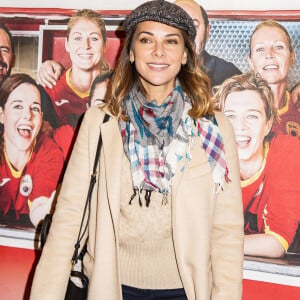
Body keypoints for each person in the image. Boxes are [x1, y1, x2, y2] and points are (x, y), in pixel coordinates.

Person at [30, 1, 244, 299]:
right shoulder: (100, 122)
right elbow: (68, 217)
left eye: (171, 41)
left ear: (185, 54)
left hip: (185, 289)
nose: (159, 51)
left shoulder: (214, 128)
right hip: (111, 285)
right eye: (147, 40)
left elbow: (227, 232)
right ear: (130, 52)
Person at [214, 72, 300, 258]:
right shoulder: (207, 161)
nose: (240, 127)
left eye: (252, 116)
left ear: (268, 124)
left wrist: (209, 244)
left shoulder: (289, 151)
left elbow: (275, 244)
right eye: (230, 116)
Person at [43, 9, 110, 160]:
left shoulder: (118, 90)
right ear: (67, 44)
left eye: (94, 38)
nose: (85, 46)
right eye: (77, 38)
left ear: (105, 45)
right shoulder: (49, 89)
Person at [0, 73, 64, 228]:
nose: (27, 115)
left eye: (34, 108)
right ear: (1, 114)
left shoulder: (50, 152)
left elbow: (40, 205)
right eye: (17, 106)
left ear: (41, 118)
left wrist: (44, 216)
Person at [247, 20, 300, 137]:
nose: (269, 54)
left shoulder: (297, 109)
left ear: (292, 57)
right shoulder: (237, 109)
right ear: (250, 61)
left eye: (278, 47)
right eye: (260, 49)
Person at [174, 0, 242, 88]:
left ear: (207, 31)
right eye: (178, 26)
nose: (187, 34)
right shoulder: (155, 71)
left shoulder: (228, 75)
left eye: (194, 25)